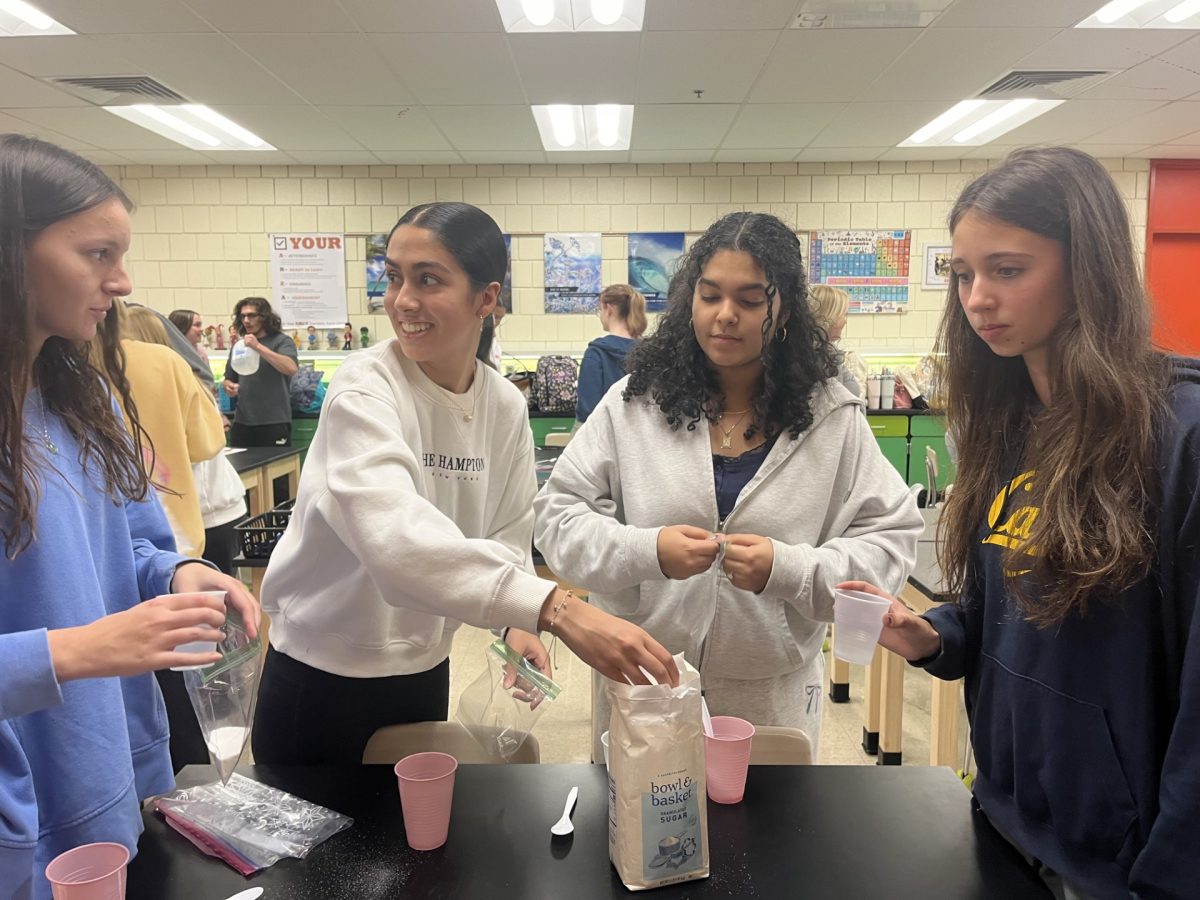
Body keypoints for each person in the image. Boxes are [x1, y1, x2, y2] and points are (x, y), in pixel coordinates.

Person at [842, 147, 1199, 900]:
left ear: (1088, 268)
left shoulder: (1180, 436)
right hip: (1008, 822)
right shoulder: (1011, 428)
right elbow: (1016, 615)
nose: (977, 299)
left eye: (1007, 270)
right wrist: (939, 635)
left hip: (1121, 869)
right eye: (963, 274)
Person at [252, 202, 678, 766]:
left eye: (428, 279)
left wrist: (514, 619)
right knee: (314, 853)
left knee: (411, 848)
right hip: (319, 679)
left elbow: (506, 530)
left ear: (486, 298)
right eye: (395, 276)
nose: (403, 300)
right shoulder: (364, 388)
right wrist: (556, 610)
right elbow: (397, 544)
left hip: (424, 672)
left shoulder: (502, 404)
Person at [533, 212, 921, 760]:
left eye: (750, 300)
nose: (726, 316)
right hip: (646, 684)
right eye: (710, 295)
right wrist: (648, 550)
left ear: (782, 307)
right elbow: (556, 519)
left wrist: (789, 569)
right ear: (690, 299)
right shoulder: (633, 405)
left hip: (771, 698)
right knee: (639, 836)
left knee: (767, 839)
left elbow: (891, 541)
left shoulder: (831, 416)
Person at [0, 134, 258, 900]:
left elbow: (142, 543)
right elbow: (79, 638)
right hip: (24, 804)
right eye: (97, 253)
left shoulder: (87, 401)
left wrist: (185, 573)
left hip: (106, 767)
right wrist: (77, 649)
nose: (122, 281)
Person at [98, 304, 227, 559]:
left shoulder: (68, 367)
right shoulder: (166, 361)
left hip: (102, 542)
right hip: (172, 528)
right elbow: (207, 444)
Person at [221, 297, 298, 447]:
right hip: (243, 421)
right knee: (242, 469)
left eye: (251, 315)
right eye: (243, 316)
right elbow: (229, 378)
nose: (246, 320)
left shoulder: (281, 341)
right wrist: (228, 386)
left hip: (274, 421)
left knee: (277, 469)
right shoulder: (240, 346)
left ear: (264, 318)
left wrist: (258, 347)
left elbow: (291, 368)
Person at [575, 284, 647, 425]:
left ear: (609, 309)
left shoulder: (596, 353)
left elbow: (587, 411)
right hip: (640, 439)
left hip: (606, 439)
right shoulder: (650, 352)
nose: (600, 315)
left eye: (600, 309)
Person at [807, 284, 866, 401]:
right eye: (843, 314)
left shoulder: (830, 355)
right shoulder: (821, 360)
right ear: (830, 316)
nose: (845, 321)